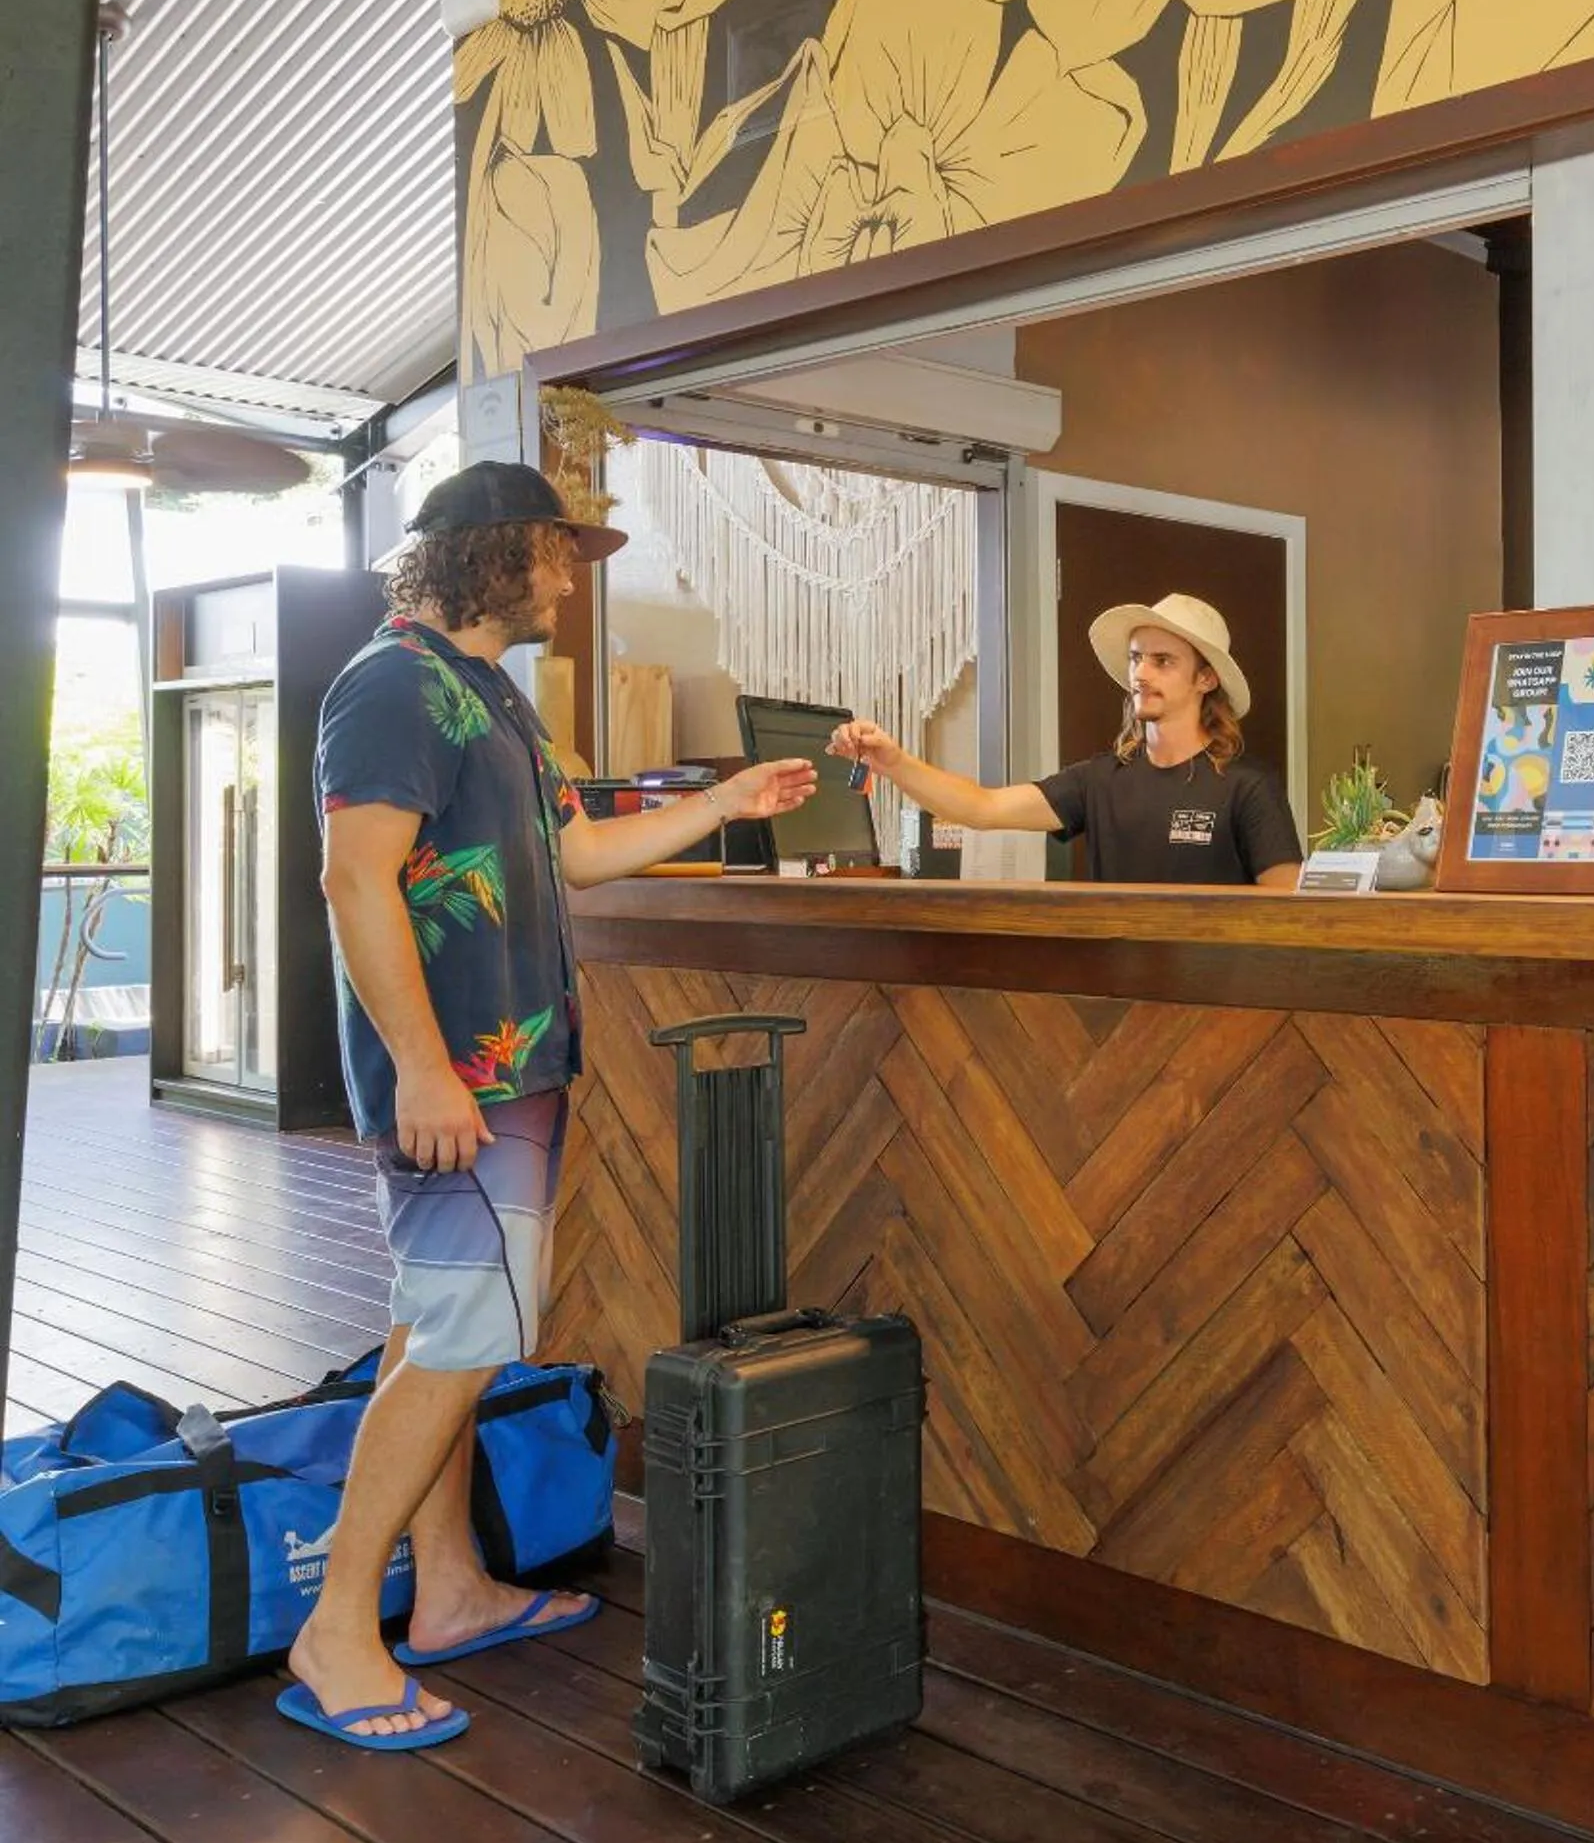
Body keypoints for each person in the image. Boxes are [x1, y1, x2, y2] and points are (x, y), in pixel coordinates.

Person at [285, 461, 817, 1751]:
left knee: (441, 1325)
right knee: (468, 1333)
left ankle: (452, 1587)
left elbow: (578, 846)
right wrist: (421, 1066)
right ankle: (337, 1628)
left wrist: (729, 802)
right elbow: (355, 882)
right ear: (496, 551)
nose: (573, 576)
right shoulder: (393, 683)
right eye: (559, 551)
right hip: (455, 1075)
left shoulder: (489, 698)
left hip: (509, 1070)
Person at [830, 592, 1303, 888]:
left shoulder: (1249, 786)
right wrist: (891, 762)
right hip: (1111, 1009)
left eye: (1163, 661)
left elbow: (1285, 913)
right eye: (1137, 658)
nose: (1140, 673)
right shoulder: (1100, 780)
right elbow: (982, 808)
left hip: (1221, 1016)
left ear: (1205, 679)